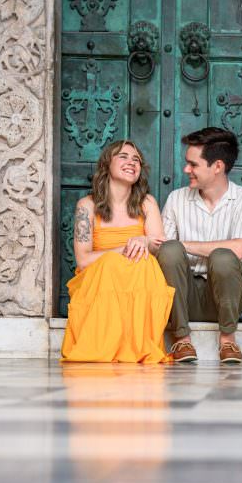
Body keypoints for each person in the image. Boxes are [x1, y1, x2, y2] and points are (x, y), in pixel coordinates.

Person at [61, 140, 175, 364]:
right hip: (98, 279)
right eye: (123, 156)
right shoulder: (87, 206)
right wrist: (123, 249)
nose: (131, 162)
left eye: (136, 160)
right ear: (107, 164)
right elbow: (83, 260)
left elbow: (158, 245)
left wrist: (144, 240)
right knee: (112, 263)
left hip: (136, 277)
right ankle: (106, 344)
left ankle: (137, 347)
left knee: (146, 263)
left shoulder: (147, 203)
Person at [155, 127, 242, 364]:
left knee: (223, 256)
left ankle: (228, 340)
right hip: (183, 297)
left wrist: (183, 244)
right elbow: (164, 249)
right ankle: (182, 339)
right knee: (169, 250)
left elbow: (239, 248)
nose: (186, 170)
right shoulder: (176, 198)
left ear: (217, 166)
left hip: (224, 298)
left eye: (193, 164)